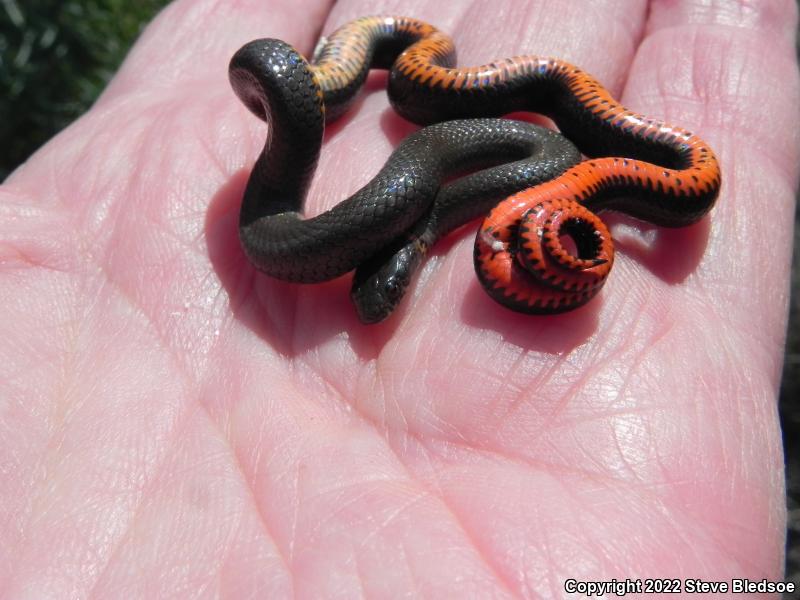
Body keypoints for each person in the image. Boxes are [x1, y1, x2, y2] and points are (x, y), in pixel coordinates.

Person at [0, 0, 796, 596]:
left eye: (380, 285)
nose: (374, 305)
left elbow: (502, 153)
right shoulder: (406, 188)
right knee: (451, 132)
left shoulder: (512, 163)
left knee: (521, 137)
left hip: (516, 149)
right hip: (476, 152)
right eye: (379, 286)